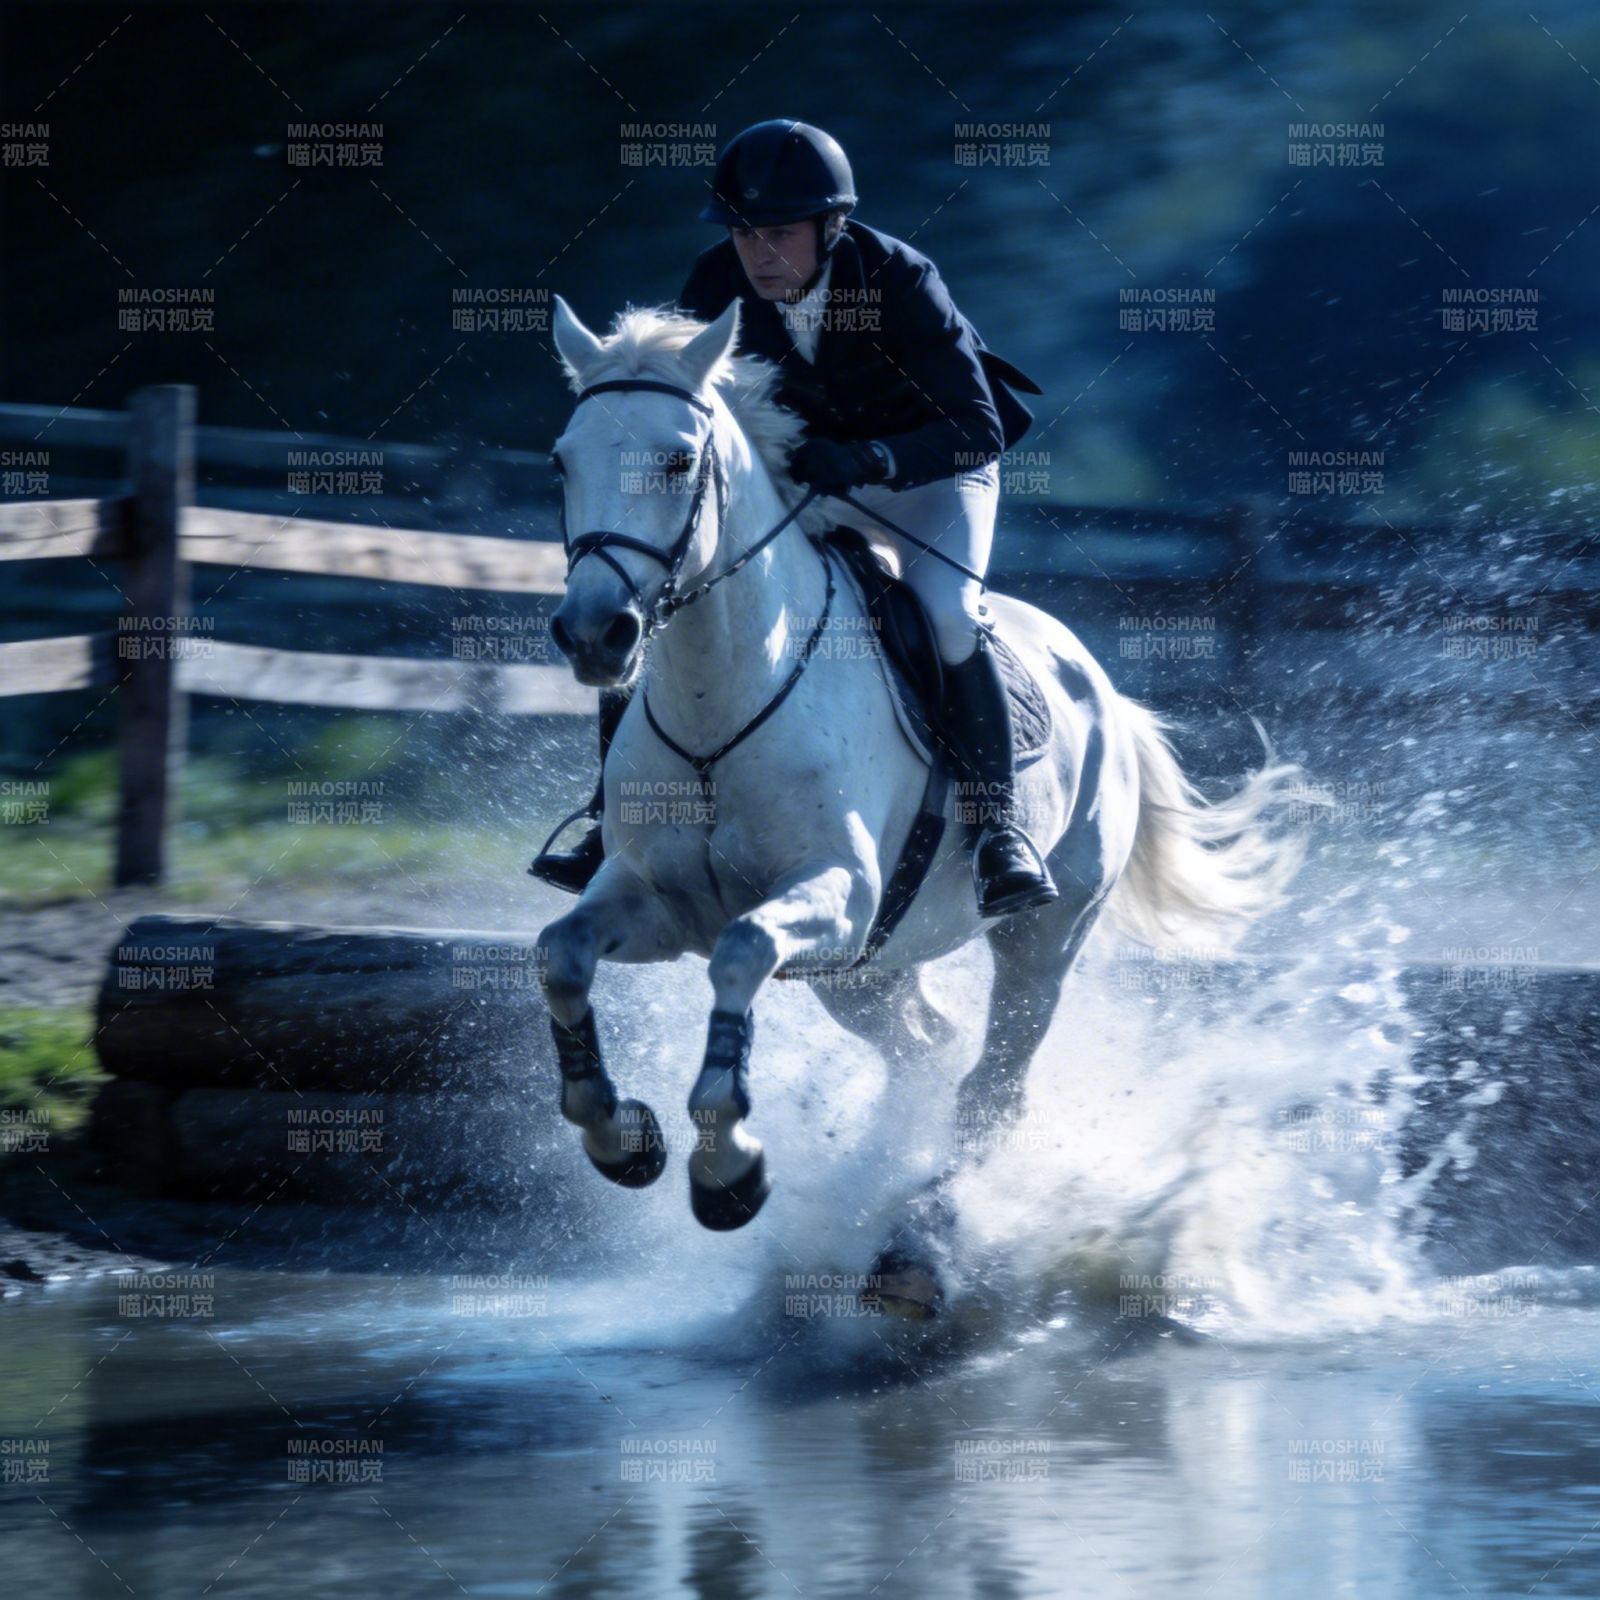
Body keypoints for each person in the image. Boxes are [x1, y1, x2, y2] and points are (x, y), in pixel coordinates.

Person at [532, 118, 1057, 918]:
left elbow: (976, 427)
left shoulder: (901, 278)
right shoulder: (717, 280)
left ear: (832, 225)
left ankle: (999, 831)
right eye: (745, 234)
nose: (759, 254)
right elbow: (685, 403)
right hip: (808, 474)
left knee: (949, 614)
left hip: (930, 473)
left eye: (779, 233)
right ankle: (609, 822)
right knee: (651, 604)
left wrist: (871, 458)